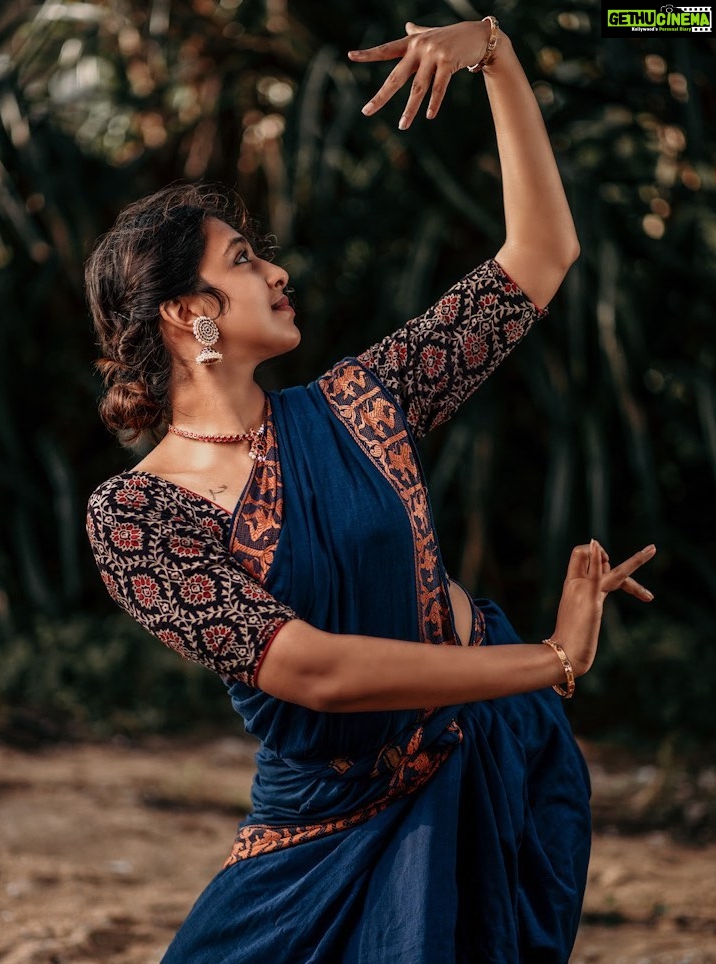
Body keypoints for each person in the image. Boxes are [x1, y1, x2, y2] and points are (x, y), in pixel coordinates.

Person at [85, 16, 655, 963]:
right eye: (243, 261)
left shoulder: (363, 401)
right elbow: (314, 671)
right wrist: (553, 658)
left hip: (485, 764)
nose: (276, 271)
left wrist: (499, 57)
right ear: (192, 316)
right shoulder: (137, 517)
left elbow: (540, 257)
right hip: (323, 830)